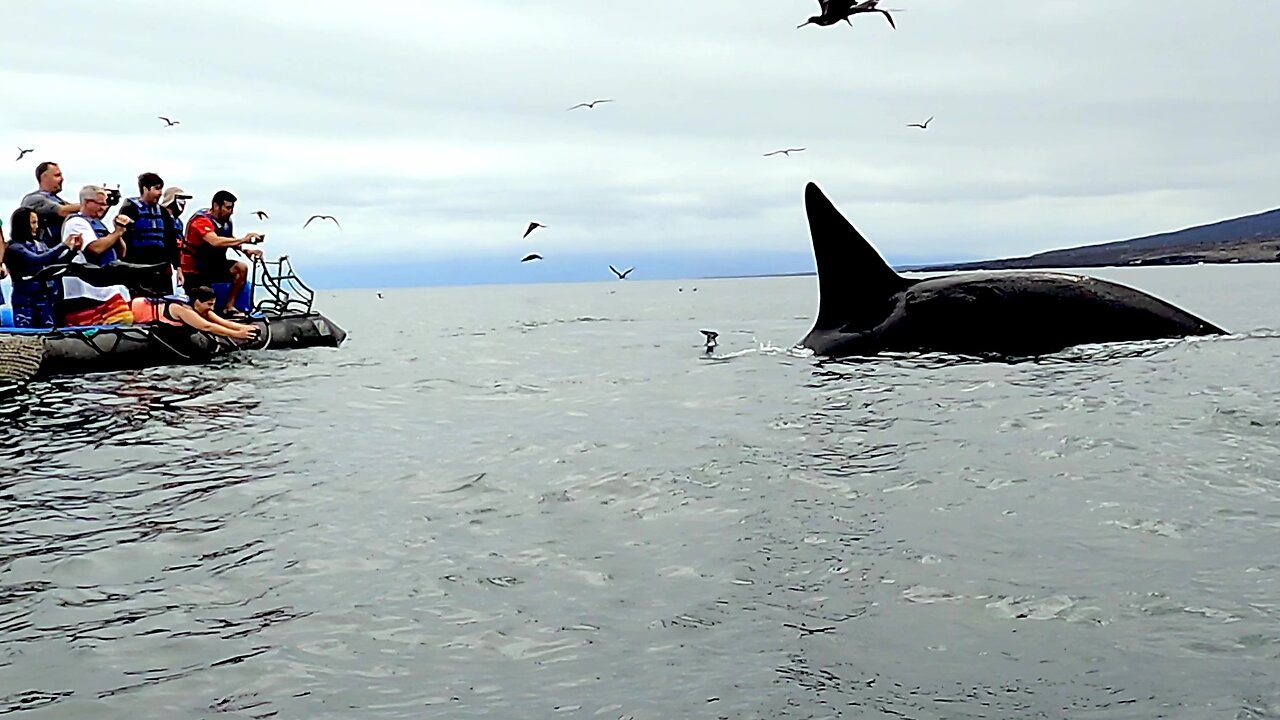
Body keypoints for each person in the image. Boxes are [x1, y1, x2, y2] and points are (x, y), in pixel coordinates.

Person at [180, 190, 263, 316]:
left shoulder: (226, 222)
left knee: (241, 268)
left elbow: (228, 239)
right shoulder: (201, 221)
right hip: (195, 270)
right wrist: (244, 239)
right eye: (228, 208)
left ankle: (229, 307)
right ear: (216, 206)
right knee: (202, 301)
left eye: (232, 208)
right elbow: (215, 241)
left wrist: (245, 250)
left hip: (214, 266)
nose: (231, 212)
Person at [59, 186, 134, 325]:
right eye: (100, 204)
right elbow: (95, 248)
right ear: (87, 202)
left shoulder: (99, 224)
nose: (104, 208)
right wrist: (116, 233)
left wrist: (119, 231)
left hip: (104, 283)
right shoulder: (76, 222)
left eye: (105, 204)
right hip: (86, 286)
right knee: (121, 316)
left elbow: (122, 252)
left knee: (123, 315)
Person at [3, 207, 83, 328]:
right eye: (33, 223)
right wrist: (63, 245)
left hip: (44, 297)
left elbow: (54, 264)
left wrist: (72, 251)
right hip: (25, 299)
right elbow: (36, 260)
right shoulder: (14, 248)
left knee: (47, 329)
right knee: (27, 332)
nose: (36, 226)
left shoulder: (40, 245)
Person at [130, 285, 258, 341]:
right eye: (209, 304)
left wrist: (245, 328)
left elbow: (222, 322)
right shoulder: (183, 309)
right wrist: (238, 334)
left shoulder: (203, 309)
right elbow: (206, 326)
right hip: (134, 310)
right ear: (197, 302)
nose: (211, 309)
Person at [115, 172, 173, 296]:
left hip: (160, 264)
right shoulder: (130, 209)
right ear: (145, 189)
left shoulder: (163, 212)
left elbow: (170, 239)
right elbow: (124, 237)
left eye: (161, 188)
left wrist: (175, 266)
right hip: (138, 263)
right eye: (157, 188)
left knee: (164, 300)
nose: (160, 193)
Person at [20, 161, 83, 245]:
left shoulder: (59, 200)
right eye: (57, 175)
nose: (62, 179)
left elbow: (83, 211)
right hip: (42, 251)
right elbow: (62, 211)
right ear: (44, 177)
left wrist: (103, 202)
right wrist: (92, 203)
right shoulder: (33, 199)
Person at [161, 185, 193, 291]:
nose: (183, 203)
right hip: (161, 262)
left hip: (175, 264)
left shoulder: (178, 222)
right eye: (181, 199)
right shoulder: (160, 216)